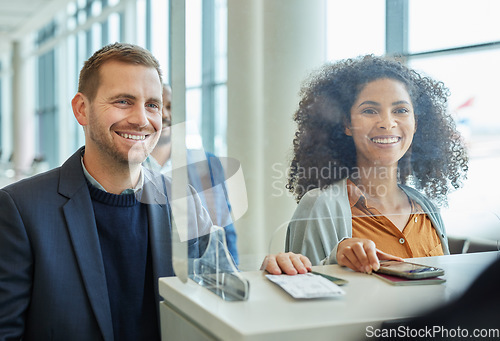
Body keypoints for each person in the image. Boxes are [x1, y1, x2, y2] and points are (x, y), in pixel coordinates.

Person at [0, 42, 310, 341]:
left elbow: (219, 291)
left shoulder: (184, 199)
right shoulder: (21, 209)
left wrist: (267, 276)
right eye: (123, 101)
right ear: (82, 109)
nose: (142, 119)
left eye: (152, 105)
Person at [285, 55, 468, 273]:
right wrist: (335, 259)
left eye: (400, 110)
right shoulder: (319, 205)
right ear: (347, 124)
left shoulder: (426, 208)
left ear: (416, 123)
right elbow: (303, 294)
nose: (387, 123)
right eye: (369, 111)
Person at [144, 84, 239, 265]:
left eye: (170, 107)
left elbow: (224, 232)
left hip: (198, 277)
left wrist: (231, 279)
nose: (165, 115)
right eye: (155, 107)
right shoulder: (129, 167)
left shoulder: (208, 165)